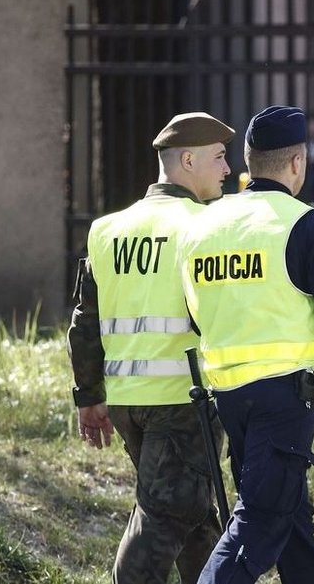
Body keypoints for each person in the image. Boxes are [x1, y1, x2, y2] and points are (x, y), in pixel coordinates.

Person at [179, 105, 314, 584]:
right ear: (297, 163)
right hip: (285, 397)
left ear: (247, 161)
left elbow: (196, 314)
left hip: (228, 395)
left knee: (290, 523)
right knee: (260, 524)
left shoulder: (202, 225)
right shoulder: (304, 224)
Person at [68, 112, 235, 584]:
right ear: (188, 160)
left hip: (126, 402)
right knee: (162, 520)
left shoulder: (107, 229)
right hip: (183, 402)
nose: (227, 169)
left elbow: (86, 320)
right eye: (220, 158)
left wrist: (89, 396)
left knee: (195, 519)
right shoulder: (205, 226)